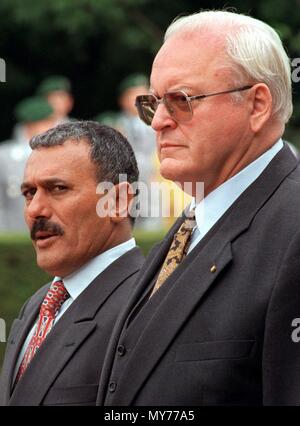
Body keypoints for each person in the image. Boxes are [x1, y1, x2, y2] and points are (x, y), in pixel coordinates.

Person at [97, 11, 300, 406]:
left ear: (257, 105)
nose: (157, 122)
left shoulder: (292, 227)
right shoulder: (194, 223)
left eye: (181, 100)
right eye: (152, 103)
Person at [0, 121, 144, 405]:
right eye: (29, 193)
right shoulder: (38, 305)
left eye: (58, 188)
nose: (35, 210)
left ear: (117, 201)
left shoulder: (148, 306)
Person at [0, 96, 55, 232]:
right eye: (48, 122)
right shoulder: (4, 155)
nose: (53, 127)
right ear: (32, 125)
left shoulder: (57, 154)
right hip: (12, 235)